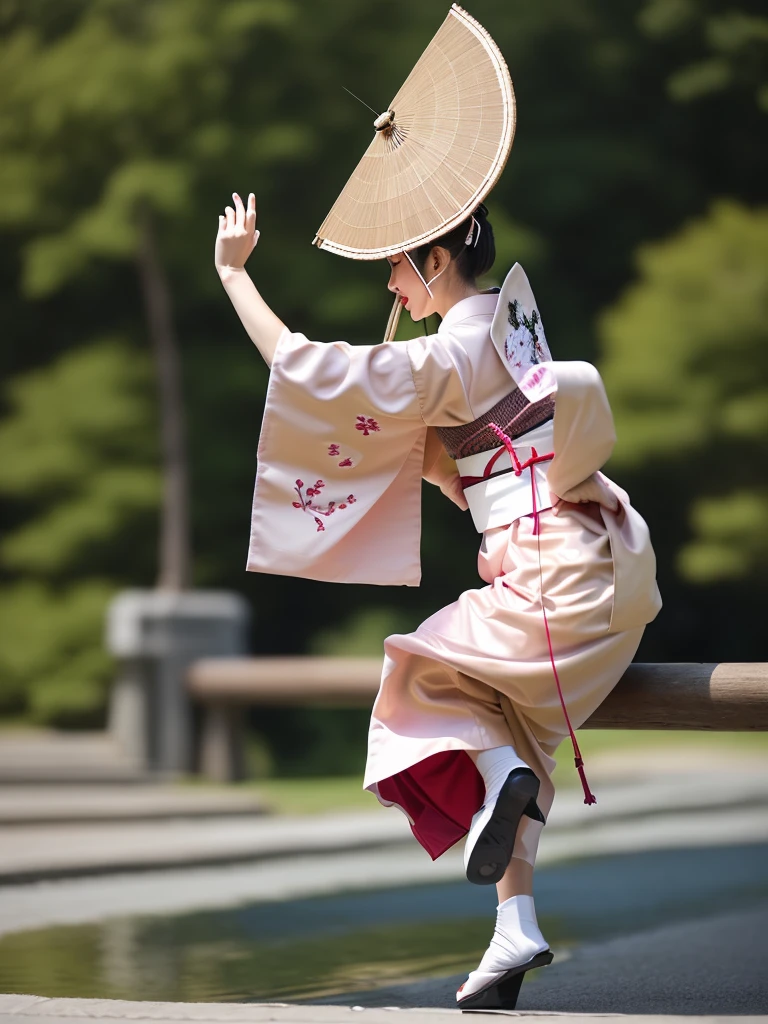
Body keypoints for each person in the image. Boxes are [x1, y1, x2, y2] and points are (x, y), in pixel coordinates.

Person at [215, 190, 662, 1010]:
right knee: (513, 731)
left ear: (436, 260)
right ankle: (512, 927)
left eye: (396, 264)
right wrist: (406, 443)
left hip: (548, 575)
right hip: (601, 574)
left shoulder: (446, 358)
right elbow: (472, 468)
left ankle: (500, 790)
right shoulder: (512, 332)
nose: (392, 283)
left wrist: (236, 274)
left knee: (417, 670)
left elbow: (300, 365)